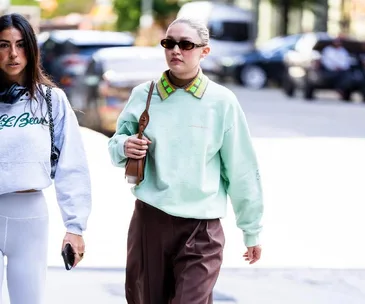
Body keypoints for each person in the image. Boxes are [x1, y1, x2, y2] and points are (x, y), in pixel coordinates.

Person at [108, 17, 263, 304]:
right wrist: (124, 146)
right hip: (150, 220)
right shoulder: (144, 95)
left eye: (186, 44)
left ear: (205, 51)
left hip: (202, 229)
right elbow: (117, 143)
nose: (176, 50)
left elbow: (241, 169)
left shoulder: (222, 101)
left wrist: (251, 229)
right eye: (169, 43)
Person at [0, 14, 91, 304]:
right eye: (3, 45)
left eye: (20, 44)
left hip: (29, 218)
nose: (13, 54)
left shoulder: (51, 100)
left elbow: (72, 165)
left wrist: (75, 227)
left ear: (31, 48)